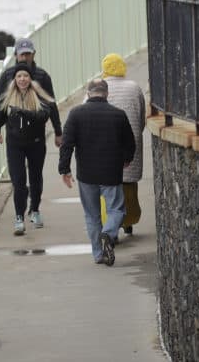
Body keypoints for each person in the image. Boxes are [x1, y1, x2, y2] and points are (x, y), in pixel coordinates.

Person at [58, 78, 135, 266]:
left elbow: (66, 144)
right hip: (111, 172)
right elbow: (130, 143)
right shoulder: (118, 115)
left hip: (86, 174)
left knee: (92, 215)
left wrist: (64, 169)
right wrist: (126, 159)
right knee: (116, 209)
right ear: (107, 93)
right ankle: (108, 234)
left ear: (88, 93)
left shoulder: (76, 114)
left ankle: (99, 254)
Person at [0, 62, 57, 235]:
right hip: (15, 145)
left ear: (30, 79)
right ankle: (19, 218)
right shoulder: (8, 97)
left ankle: (35, 210)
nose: (22, 79)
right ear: (15, 79)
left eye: (25, 76)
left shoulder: (39, 96)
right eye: (19, 76)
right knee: (18, 183)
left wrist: (23, 112)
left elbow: (43, 116)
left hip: (36, 143)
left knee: (35, 179)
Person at [100, 52, 146, 236]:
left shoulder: (99, 87)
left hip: (105, 146)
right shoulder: (134, 87)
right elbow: (142, 116)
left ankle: (110, 226)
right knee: (128, 185)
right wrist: (136, 132)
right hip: (131, 142)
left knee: (108, 188)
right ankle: (129, 220)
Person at [0, 37, 63, 147]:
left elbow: (51, 104)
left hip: (37, 134)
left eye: (28, 54)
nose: (25, 57)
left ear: (33, 54)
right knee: (17, 164)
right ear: (15, 55)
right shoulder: (7, 76)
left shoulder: (43, 76)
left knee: (35, 164)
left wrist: (58, 132)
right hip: (14, 135)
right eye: (22, 54)